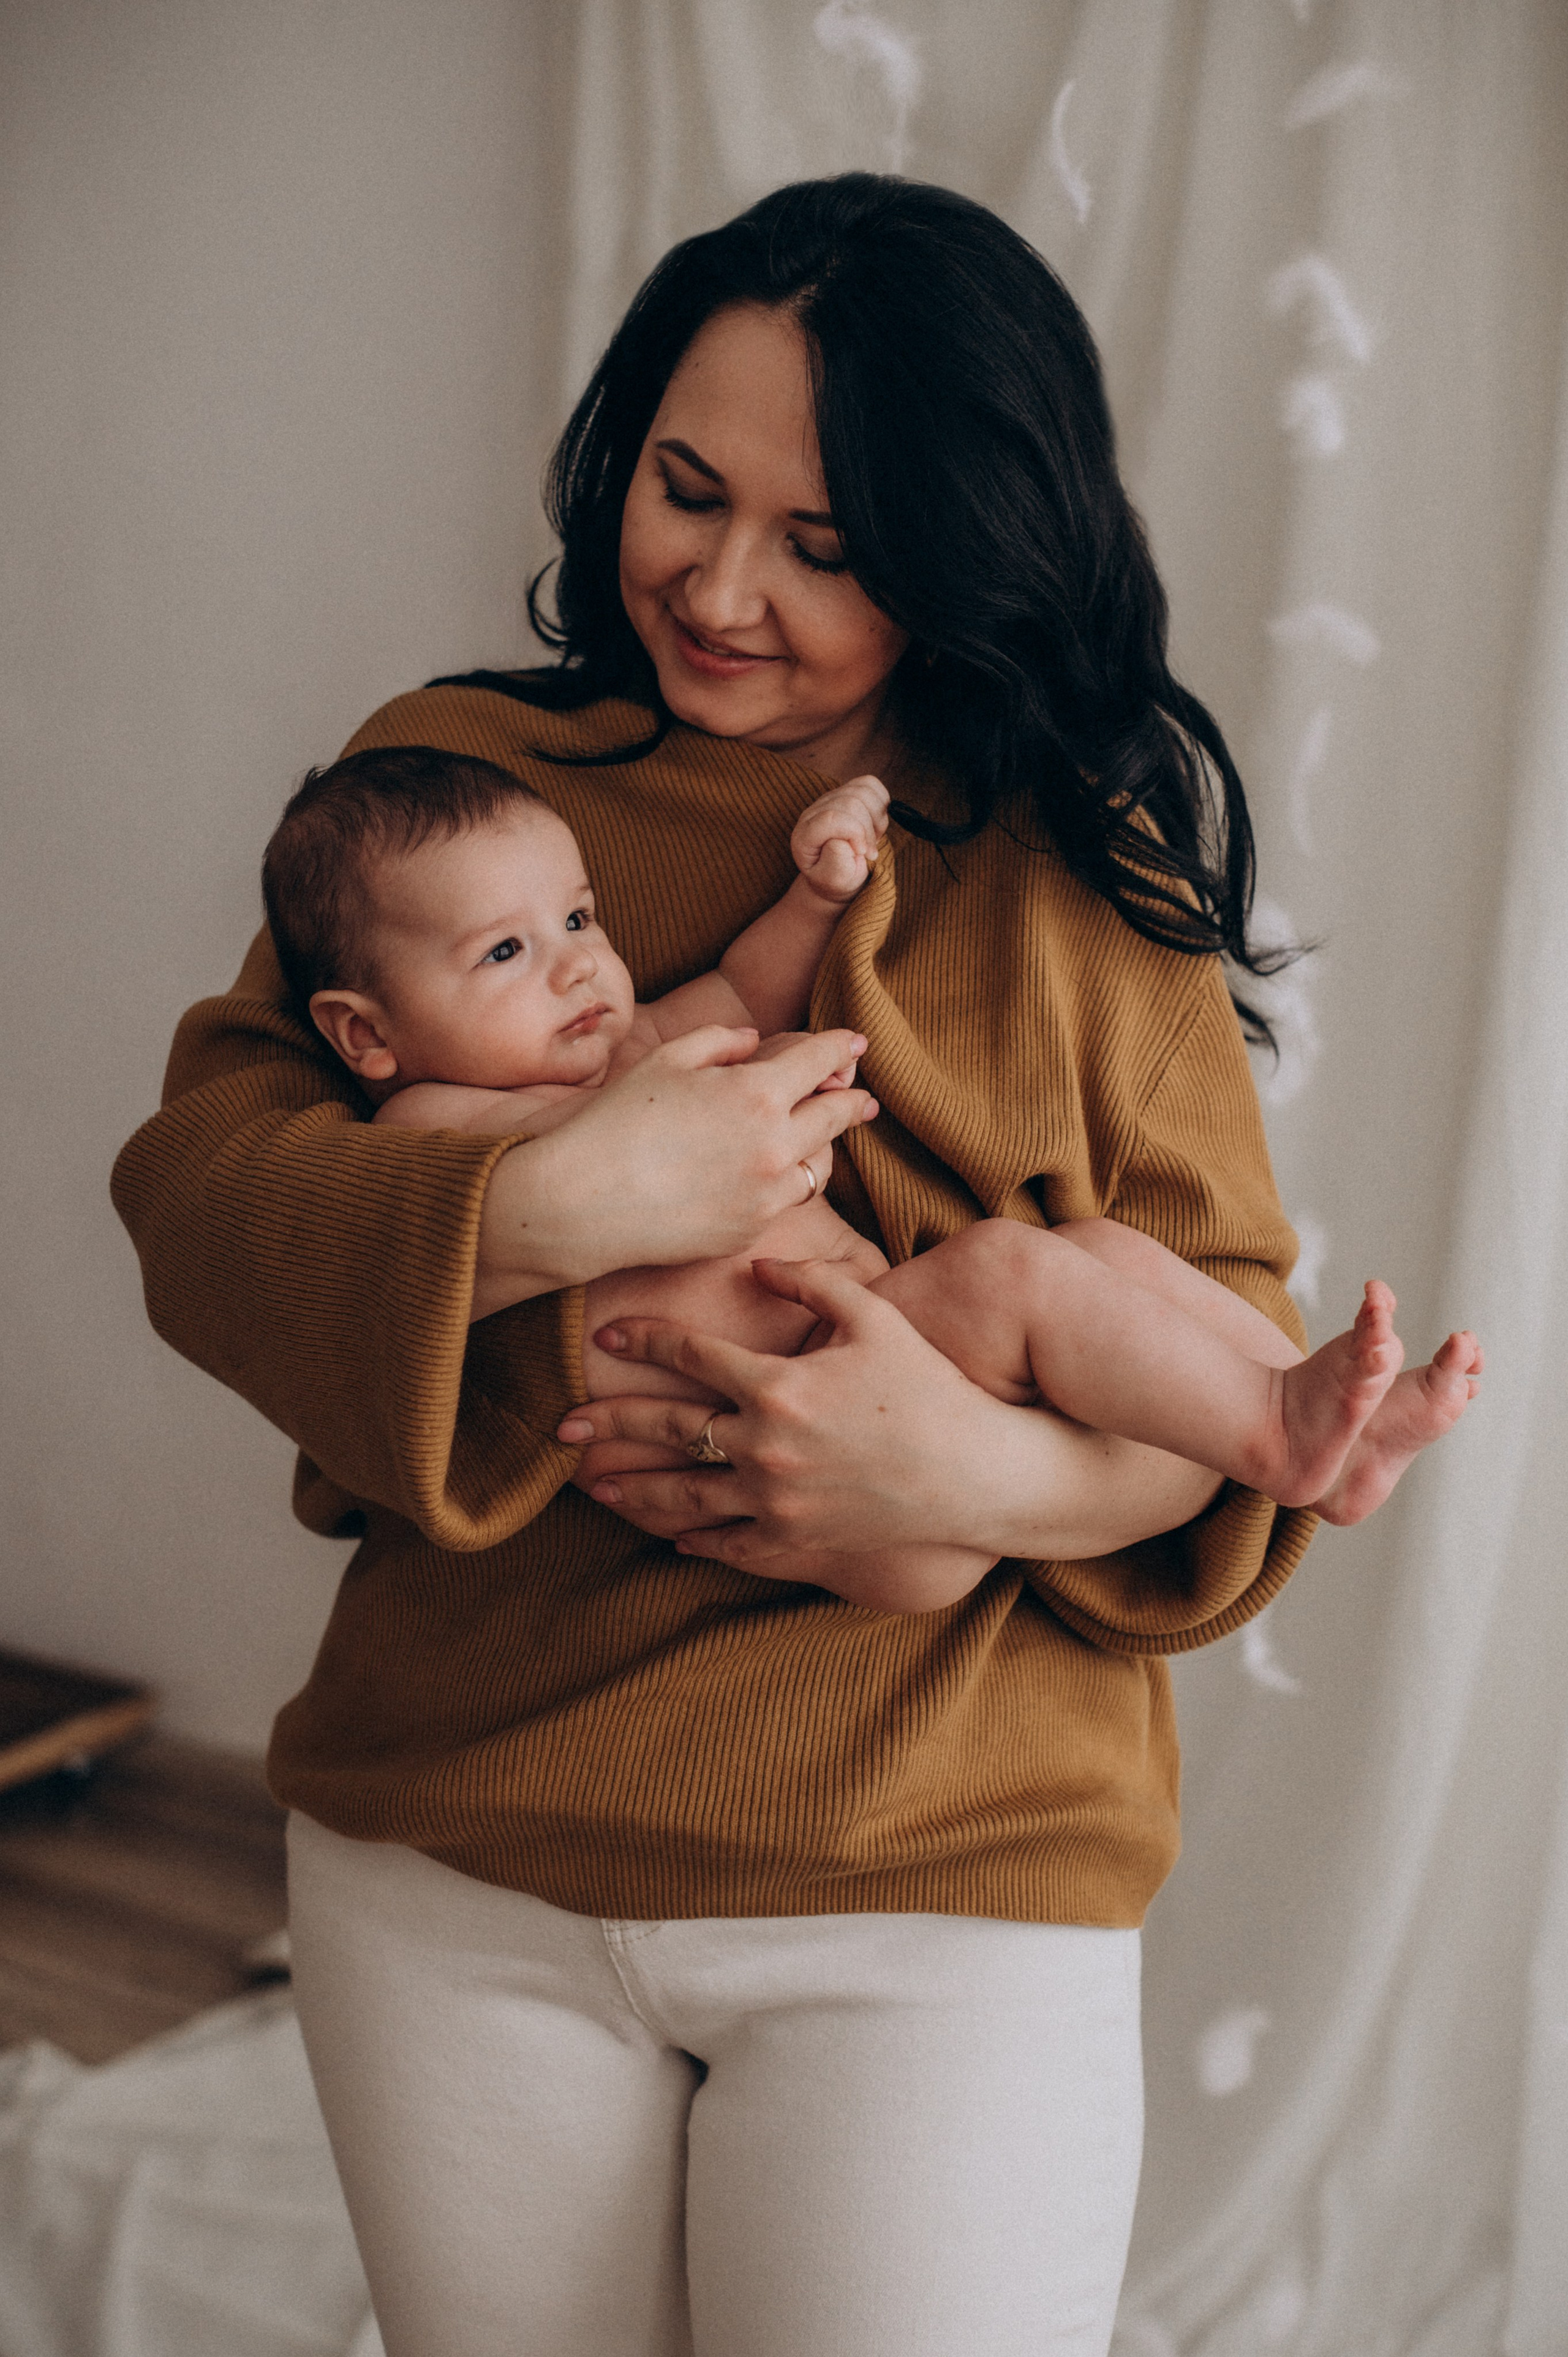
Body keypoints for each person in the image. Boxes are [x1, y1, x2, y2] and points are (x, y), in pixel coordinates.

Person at [110, 175, 1473, 2356]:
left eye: (825, 547)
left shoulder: (1081, 893)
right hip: (462, 1841)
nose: (721, 586)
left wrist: (953, 1479)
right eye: (684, 486)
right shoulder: (451, 806)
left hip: (938, 1876)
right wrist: (557, 1201)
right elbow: (202, 1200)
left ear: (958, 551)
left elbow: (1223, 1381)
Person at [264, 743, 1479, 1567]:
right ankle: (1274, 1428)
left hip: (890, 1386)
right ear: (365, 1035)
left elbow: (744, 988)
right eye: (502, 954)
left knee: (1097, 1250)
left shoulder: (617, 1042)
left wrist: (817, 890)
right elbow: (398, 1250)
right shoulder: (425, 1128)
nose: (577, 963)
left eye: (578, 919)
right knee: (1012, 1268)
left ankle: (1315, 1434)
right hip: (788, 1406)